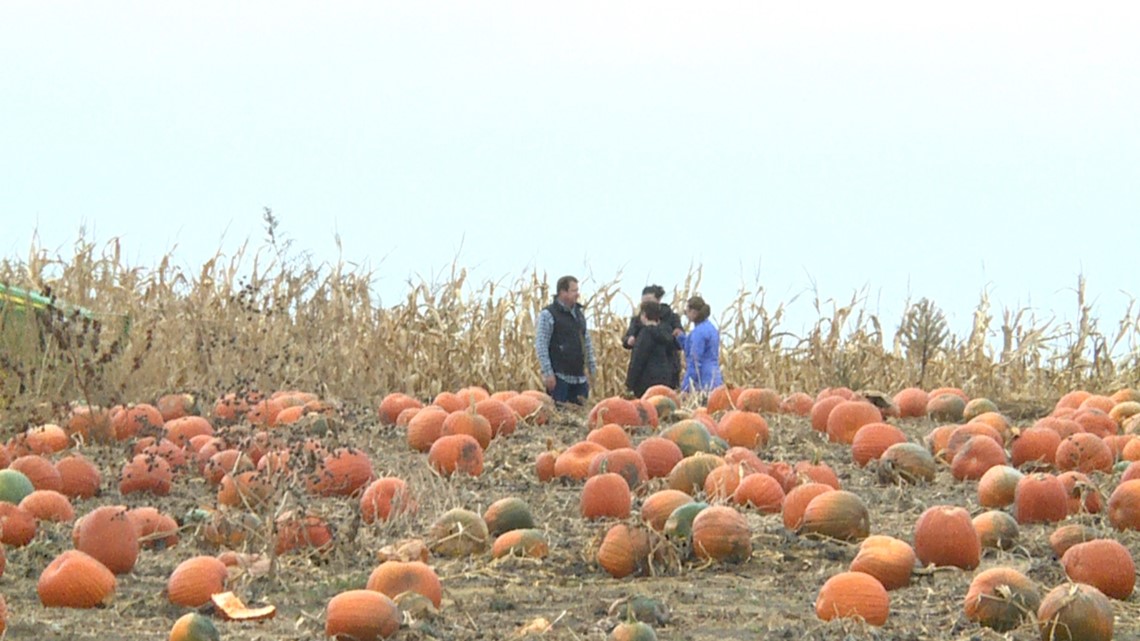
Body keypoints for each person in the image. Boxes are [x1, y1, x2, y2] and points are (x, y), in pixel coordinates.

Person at [534, 275, 597, 405]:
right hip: (559, 378)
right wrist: (548, 373)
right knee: (559, 418)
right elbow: (541, 345)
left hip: (579, 379)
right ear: (563, 292)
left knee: (580, 419)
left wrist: (592, 369)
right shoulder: (549, 314)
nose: (577, 294)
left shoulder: (579, 314)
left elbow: (586, 342)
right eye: (574, 290)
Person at [622, 284, 683, 388]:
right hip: (648, 370)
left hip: (669, 367)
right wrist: (628, 340)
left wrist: (630, 384)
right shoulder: (637, 320)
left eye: (649, 301)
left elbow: (678, 341)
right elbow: (627, 338)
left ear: (658, 300)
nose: (645, 304)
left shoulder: (671, 318)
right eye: (643, 302)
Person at [625, 301, 677, 397]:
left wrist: (629, 384)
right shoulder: (667, 333)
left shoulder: (646, 334)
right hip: (665, 381)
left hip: (646, 382)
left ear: (644, 315)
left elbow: (638, 359)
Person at [679, 295, 723, 393]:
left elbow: (695, 361)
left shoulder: (698, 332)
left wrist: (685, 388)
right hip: (715, 376)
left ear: (694, 312)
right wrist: (681, 338)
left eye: (687, 311)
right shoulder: (711, 328)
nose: (686, 314)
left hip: (704, 380)